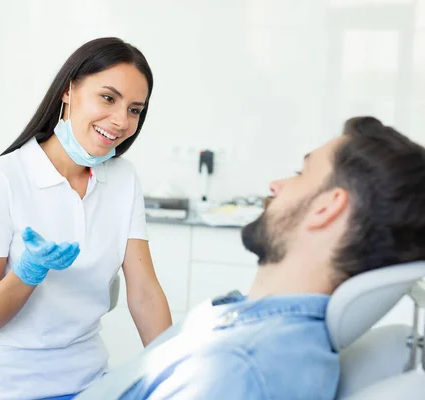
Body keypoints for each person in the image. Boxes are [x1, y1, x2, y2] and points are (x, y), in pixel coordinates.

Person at [74, 116, 425, 400]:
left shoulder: (238, 368)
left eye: (301, 174)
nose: (275, 185)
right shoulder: (245, 326)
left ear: (326, 208)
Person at [0, 37, 172, 400]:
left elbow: (145, 294)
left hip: (90, 382)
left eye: (135, 109)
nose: (121, 120)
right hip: (12, 387)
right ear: (68, 90)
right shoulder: (1, 179)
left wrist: (176, 371)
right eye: (108, 98)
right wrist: (27, 273)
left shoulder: (122, 178)